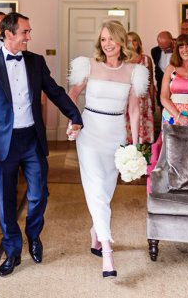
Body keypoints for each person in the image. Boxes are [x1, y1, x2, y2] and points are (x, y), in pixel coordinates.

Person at [0, 12, 82, 277]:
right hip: (2, 144)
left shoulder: (35, 61)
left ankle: (33, 235)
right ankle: (12, 249)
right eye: (25, 32)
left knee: (38, 195)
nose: (29, 37)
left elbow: (54, 91)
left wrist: (75, 115)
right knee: (6, 200)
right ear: (9, 34)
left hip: (32, 139)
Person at [68, 21, 149, 278]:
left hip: (116, 134)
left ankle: (95, 232)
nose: (107, 44)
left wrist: (134, 145)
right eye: (103, 40)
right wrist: (74, 120)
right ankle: (107, 252)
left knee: (105, 189)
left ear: (121, 41)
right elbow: (71, 95)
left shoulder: (135, 71)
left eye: (111, 39)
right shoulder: (88, 66)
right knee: (97, 191)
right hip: (90, 133)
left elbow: (134, 110)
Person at [126, 31, 155, 144]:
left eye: (135, 40)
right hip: (127, 98)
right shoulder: (122, 60)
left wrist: (152, 100)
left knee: (143, 123)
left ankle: (143, 153)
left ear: (138, 42)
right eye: (129, 41)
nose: (132, 43)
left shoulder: (146, 59)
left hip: (144, 98)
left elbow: (151, 82)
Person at [150, 30, 174, 108]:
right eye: (161, 48)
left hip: (176, 84)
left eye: (166, 48)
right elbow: (157, 68)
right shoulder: (155, 51)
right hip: (162, 85)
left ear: (172, 41)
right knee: (162, 106)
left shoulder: (180, 50)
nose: (164, 50)